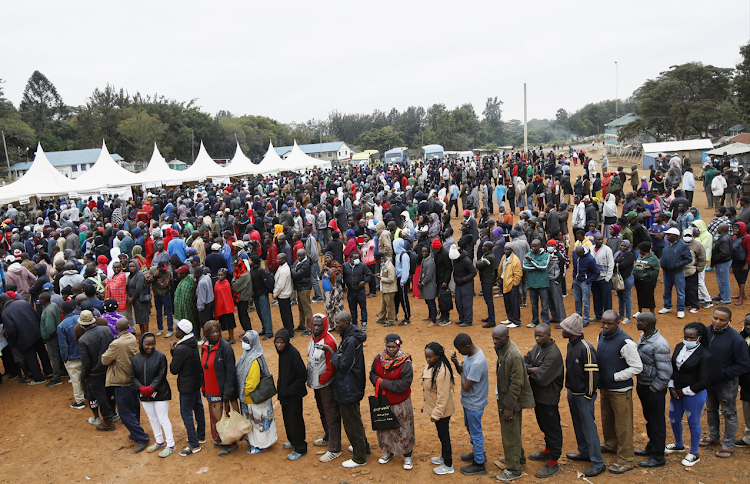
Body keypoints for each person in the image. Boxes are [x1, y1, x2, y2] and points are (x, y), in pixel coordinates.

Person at [318, 311, 371, 468]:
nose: (335, 325)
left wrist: (332, 353)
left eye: (338, 322)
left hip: (348, 388)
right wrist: (338, 355)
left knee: (351, 422)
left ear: (347, 324)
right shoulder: (350, 337)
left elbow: (343, 365)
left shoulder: (350, 340)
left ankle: (359, 457)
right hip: (351, 386)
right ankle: (363, 447)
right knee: (355, 419)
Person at [596, 310, 643, 474]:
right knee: (607, 419)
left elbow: (637, 367)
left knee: (623, 425)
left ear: (618, 323)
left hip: (621, 390)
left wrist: (616, 377)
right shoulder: (601, 335)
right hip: (605, 388)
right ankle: (611, 444)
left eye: (609, 324)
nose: (605, 326)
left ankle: (626, 459)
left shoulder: (626, 343)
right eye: (603, 323)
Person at [560, 313, 605, 477]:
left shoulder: (585, 348)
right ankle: (584, 452)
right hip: (573, 393)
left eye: (564, 328)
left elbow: (593, 373)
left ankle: (598, 462)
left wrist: (589, 395)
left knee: (588, 427)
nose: (561, 331)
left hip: (584, 396)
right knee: (578, 425)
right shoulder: (570, 344)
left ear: (572, 331)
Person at [703, 307, 750, 458]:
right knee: (710, 409)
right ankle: (713, 436)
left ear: (729, 321)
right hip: (707, 381)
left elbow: (743, 364)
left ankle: (728, 445)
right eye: (715, 318)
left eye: (722, 320)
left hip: (726, 383)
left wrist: (723, 374)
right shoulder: (705, 332)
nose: (717, 322)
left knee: (729, 413)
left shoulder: (736, 339)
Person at [492, 325, 535, 482]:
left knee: (510, 435)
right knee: (512, 432)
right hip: (506, 399)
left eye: (498, 339)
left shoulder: (513, 355)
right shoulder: (504, 349)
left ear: (506, 338)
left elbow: (517, 384)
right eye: (494, 338)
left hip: (511, 403)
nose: (495, 342)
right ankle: (519, 458)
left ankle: (514, 469)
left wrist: (509, 407)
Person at [101, 318, 150, 454]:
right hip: (134, 380)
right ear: (128, 327)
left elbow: (104, 360)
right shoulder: (132, 338)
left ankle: (141, 436)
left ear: (116, 328)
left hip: (121, 381)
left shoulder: (116, 344)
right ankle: (136, 433)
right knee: (134, 407)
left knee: (124, 412)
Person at [667, 322, 713, 466]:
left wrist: (684, 391)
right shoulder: (679, 347)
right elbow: (673, 368)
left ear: (699, 338)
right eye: (686, 337)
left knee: (693, 422)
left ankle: (694, 453)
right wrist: (671, 387)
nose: (688, 340)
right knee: (674, 418)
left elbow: (704, 381)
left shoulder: (705, 356)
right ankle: (679, 445)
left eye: (692, 338)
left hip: (694, 394)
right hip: (676, 392)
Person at [366, 333, 415, 470]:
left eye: (394, 347)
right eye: (388, 346)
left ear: (398, 346)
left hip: (401, 402)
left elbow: (404, 384)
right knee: (385, 427)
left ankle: (407, 455)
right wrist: (380, 381)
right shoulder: (379, 359)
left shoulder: (405, 362)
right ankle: (389, 451)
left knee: (403, 429)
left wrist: (381, 383)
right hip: (383, 401)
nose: (390, 349)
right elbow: (372, 375)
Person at [523, 323, 564, 478]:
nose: (537, 338)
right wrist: (532, 368)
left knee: (552, 428)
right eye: (536, 335)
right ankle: (547, 451)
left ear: (549, 335)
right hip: (538, 396)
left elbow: (541, 378)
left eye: (541, 336)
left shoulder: (553, 354)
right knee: (543, 424)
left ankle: (553, 463)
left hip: (549, 397)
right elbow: (524, 360)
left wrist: (533, 369)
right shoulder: (538, 347)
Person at [631, 312, 672, 469]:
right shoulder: (644, 337)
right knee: (650, 419)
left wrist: (653, 390)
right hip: (644, 384)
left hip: (653, 388)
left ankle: (657, 456)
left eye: (639, 322)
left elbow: (665, 373)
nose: (636, 323)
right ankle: (652, 446)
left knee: (657, 422)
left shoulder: (660, 344)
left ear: (645, 324)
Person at [130, 332, 175, 457]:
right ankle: (159, 441)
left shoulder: (160, 356)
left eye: (153, 344)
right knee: (152, 418)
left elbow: (162, 374)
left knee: (163, 418)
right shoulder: (135, 359)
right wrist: (141, 388)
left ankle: (170, 445)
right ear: (141, 344)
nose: (150, 347)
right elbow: (133, 376)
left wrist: (151, 387)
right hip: (144, 394)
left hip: (161, 393)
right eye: (147, 344)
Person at [450, 333, 489, 476]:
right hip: (469, 401)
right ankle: (477, 452)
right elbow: (462, 370)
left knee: (476, 432)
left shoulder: (477, 362)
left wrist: (460, 373)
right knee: (471, 428)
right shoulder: (469, 355)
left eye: (460, 350)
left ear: (467, 346)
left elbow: (466, 386)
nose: (460, 353)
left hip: (474, 403)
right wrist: (456, 363)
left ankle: (479, 464)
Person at [200, 320, 240, 456]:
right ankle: (220, 439)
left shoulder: (225, 348)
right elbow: (203, 368)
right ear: (206, 335)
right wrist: (203, 387)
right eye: (212, 332)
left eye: (217, 331)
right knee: (215, 417)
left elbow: (230, 372)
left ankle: (231, 443)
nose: (215, 334)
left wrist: (227, 392)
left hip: (222, 391)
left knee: (226, 417)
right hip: (211, 389)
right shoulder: (204, 347)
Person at [236, 329, 277, 455]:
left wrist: (243, 391)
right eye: (244, 340)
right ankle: (258, 442)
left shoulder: (253, 360)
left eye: (247, 341)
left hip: (253, 399)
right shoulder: (248, 355)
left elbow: (251, 383)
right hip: (251, 399)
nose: (245, 343)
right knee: (256, 423)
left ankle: (261, 445)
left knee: (258, 423)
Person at [169, 319, 206, 457]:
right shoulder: (191, 344)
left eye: (177, 329)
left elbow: (174, 369)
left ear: (182, 332)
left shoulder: (181, 348)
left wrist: (173, 352)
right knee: (198, 408)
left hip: (186, 385)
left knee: (186, 413)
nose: (175, 331)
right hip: (195, 381)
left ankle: (194, 444)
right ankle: (200, 436)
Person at [307, 314, 341, 462]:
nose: (316, 327)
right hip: (316, 384)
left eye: (319, 325)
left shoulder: (329, 342)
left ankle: (335, 448)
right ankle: (327, 437)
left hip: (326, 385)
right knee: (322, 411)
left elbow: (331, 366)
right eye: (314, 325)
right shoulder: (312, 339)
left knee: (331, 415)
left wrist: (321, 380)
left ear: (325, 325)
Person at [77, 309, 117, 431]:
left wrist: (84, 375)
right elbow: (112, 347)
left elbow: (86, 362)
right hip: (109, 368)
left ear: (82, 325)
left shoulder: (83, 340)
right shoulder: (106, 329)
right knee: (110, 393)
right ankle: (114, 414)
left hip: (95, 373)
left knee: (101, 397)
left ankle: (108, 422)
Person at [274, 328, 309, 460]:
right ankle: (293, 441)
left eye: (282, 342)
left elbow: (302, 375)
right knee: (287, 420)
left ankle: (300, 447)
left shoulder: (293, 354)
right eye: (277, 342)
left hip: (294, 395)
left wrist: (290, 390)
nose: (279, 345)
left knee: (295, 421)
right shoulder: (282, 353)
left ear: (287, 342)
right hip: (285, 395)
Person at [423, 342, 455, 475]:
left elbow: (443, 396)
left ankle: (448, 464)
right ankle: (443, 457)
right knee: (442, 435)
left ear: (438, 356)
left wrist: (436, 414)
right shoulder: (433, 366)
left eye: (430, 357)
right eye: (426, 356)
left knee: (444, 436)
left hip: (442, 411)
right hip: (437, 408)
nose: (427, 359)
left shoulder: (442, 372)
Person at [57, 301, 86, 408]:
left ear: (62, 311)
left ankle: (79, 402)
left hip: (72, 357)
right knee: (88, 377)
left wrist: (65, 358)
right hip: (85, 354)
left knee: (75, 380)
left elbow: (63, 345)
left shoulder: (61, 326)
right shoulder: (81, 319)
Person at [658, 227, 692, 318]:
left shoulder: (683, 245)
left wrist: (678, 264)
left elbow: (689, 259)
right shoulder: (667, 244)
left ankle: (681, 309)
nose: (667, 236)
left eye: (669, 235)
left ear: (675, 236)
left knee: (680, 292)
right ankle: (667, 306)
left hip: (677, 272)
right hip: (666, 271)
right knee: (666, 290)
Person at [38, 291, 63, 386]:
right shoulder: (53, 305)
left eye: (40, 299)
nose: (38, 301)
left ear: (43, 300)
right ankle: (62, 372)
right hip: (57, 334)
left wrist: (45, 337)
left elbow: (50, 328)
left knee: (54, 357)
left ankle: (57, 378)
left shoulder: (48, 311)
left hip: (52, 337)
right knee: (58, 355)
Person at [342, 252, 371, 330]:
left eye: (358, 258)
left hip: (360, 291)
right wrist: (343, 286)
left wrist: (364, 281)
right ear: (351, 259)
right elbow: (343, 277)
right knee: (352, 309)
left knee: (363, 308)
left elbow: (369, 275)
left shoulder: (362, 266)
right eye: (355, 258)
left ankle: (364, 322)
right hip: (350, 292)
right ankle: (354, 323)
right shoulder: (345, 266)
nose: (357, 259)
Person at [450, 244, 477, 328]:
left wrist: (464, 279)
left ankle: (468, 320)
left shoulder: (466, 260)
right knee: (458, 302)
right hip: (458, 283)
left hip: (466, 284)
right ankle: (462, 318)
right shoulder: (455, 260)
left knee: (467, 303)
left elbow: (474, 272)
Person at [571, 246, 599, 328]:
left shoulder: (590, 259)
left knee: (585, 300)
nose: (578, 256)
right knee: (577, 300)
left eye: (579, 255)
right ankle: (578, 317)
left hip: (584, 282)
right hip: (576, 281)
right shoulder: (575, 254)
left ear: (583, 253)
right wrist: (574, 275)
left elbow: (596, 272)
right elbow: (574, 266)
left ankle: (586, 319)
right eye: (577, 254)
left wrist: (588, 280)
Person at [632, 242, 660, 316]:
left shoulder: (653, 258)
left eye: (640, 249)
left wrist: (647, 274)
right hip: (638, 281)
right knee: (639, 295)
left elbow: (656, 270)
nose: (638, 250)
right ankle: (639, 311)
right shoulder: (639, 256)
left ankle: (652, 313)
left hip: (648, 282)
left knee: (649, 297)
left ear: (644, 250)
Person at [291, 248, 313, 336]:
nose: (298, 257)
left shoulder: (306, 263)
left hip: (304, 288)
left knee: (307, 308)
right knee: (301, 308)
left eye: (300, 256)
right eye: (297, 256)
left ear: (304, 255)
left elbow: (296, 275)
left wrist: (292, 270)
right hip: (300, 287)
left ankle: (309, 328)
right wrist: (293, 270)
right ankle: (302, 325)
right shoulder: (299, 261)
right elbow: (293, 267)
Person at [475, 241, 496, 328]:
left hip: (487, 280)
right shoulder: (487, 255)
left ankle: (492, 321)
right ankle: (490, 317)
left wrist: (479, 261)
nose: (482, 248)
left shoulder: (489, 257)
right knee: (487, 300)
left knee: (489, 300)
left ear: (488, 248)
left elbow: (478, 264)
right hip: (486, 279)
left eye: (484, 246)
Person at [126, 259, 150, 334]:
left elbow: (138, 288)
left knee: (144, 318)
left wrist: (132, 298)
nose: (132, 268)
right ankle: (142, 334)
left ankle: (146, 334)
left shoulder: (139, 275)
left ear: (137, 266)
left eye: (134, 266)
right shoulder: (131, 275)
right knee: (139, 318)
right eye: (130, 266)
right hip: (136, 301)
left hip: (140, 300)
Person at [273, 253, 295, 335]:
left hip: (283, 295)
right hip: (283, 294)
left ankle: (290, 332)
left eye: (279, 259)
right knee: (287, 313)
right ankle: (290, 328)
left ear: (284, 259)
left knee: (286, 315)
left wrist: (275, 294)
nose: (277, 260)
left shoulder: (284, 270)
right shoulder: (282, 267)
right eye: (277, 258)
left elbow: (280, 285)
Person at [375, 251, 397, 327]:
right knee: (383, 305)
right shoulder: (384, 265)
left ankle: (391, 321)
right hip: (385, 289)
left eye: (378, 261)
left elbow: (391, 279)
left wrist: (381, 278)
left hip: (389, 290)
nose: (378, 262)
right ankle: (382, 319)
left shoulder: (390, 266)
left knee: (390, 306)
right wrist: (380, 275)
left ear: (382, 258)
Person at [418, 245, 438, 328]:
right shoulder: (424, 260)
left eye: (425, 251)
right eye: (422, 251)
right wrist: (420, 281)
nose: (423, 253)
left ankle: (434, 320)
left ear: (429, 252)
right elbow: (422, 272)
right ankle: (430, 316)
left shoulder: (430, 262)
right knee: (428, 302)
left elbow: (429, 276)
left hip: (429, 285)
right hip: (425, 285)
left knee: (431, 303)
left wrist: (422, 283)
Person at [731, 222, 750, 304]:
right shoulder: (735, 237)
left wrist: (747, 264)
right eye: (734, 228)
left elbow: (749, 251)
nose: (735, 230)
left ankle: (741, 299)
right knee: (738, 278)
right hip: (736, 261)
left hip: (743, 262)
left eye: (737, 229)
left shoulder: (747, 238)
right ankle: (743, 294)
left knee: (742, 280)